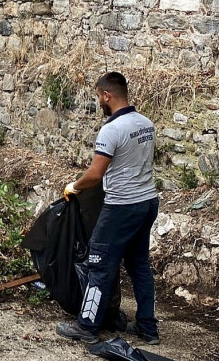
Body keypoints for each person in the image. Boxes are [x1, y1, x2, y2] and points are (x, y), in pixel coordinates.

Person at [55, 72, 160, 345]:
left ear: (106, 95)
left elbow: (95, 174)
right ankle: (148, 329)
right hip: (147, 202)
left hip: (121, 207)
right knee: (139, 266)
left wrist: (74, 186)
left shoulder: (112, 130)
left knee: (98, 264)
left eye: (99, 96)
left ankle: (87, 326)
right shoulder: (146, 123)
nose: (99, 101)